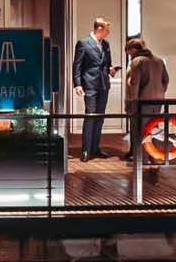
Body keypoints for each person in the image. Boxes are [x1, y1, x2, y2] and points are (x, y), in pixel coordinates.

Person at [123, 35, 169, 166]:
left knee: (141, 129)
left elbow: (134, 84)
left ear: (134, 49)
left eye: (128, 51)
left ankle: (141, 159)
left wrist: (133, 102)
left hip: (141, 102)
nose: (128, 54)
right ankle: (151, 155)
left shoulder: (137, 62)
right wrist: (159, 92)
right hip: (158, 101)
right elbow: (166, 80)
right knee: (152, 128)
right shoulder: (159, 61)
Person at [71, 18, 113, 161]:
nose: (108, 33)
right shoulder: (83, 43)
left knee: (100, 117)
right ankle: (86, 149)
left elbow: (107, 64)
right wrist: (77, 84)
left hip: (103, 84)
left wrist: (111, 70)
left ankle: (95, 148)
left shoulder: (106, 44)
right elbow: (77, 65)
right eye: (107, 30)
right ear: (99, 29)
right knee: (90, 116)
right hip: (90, 84)